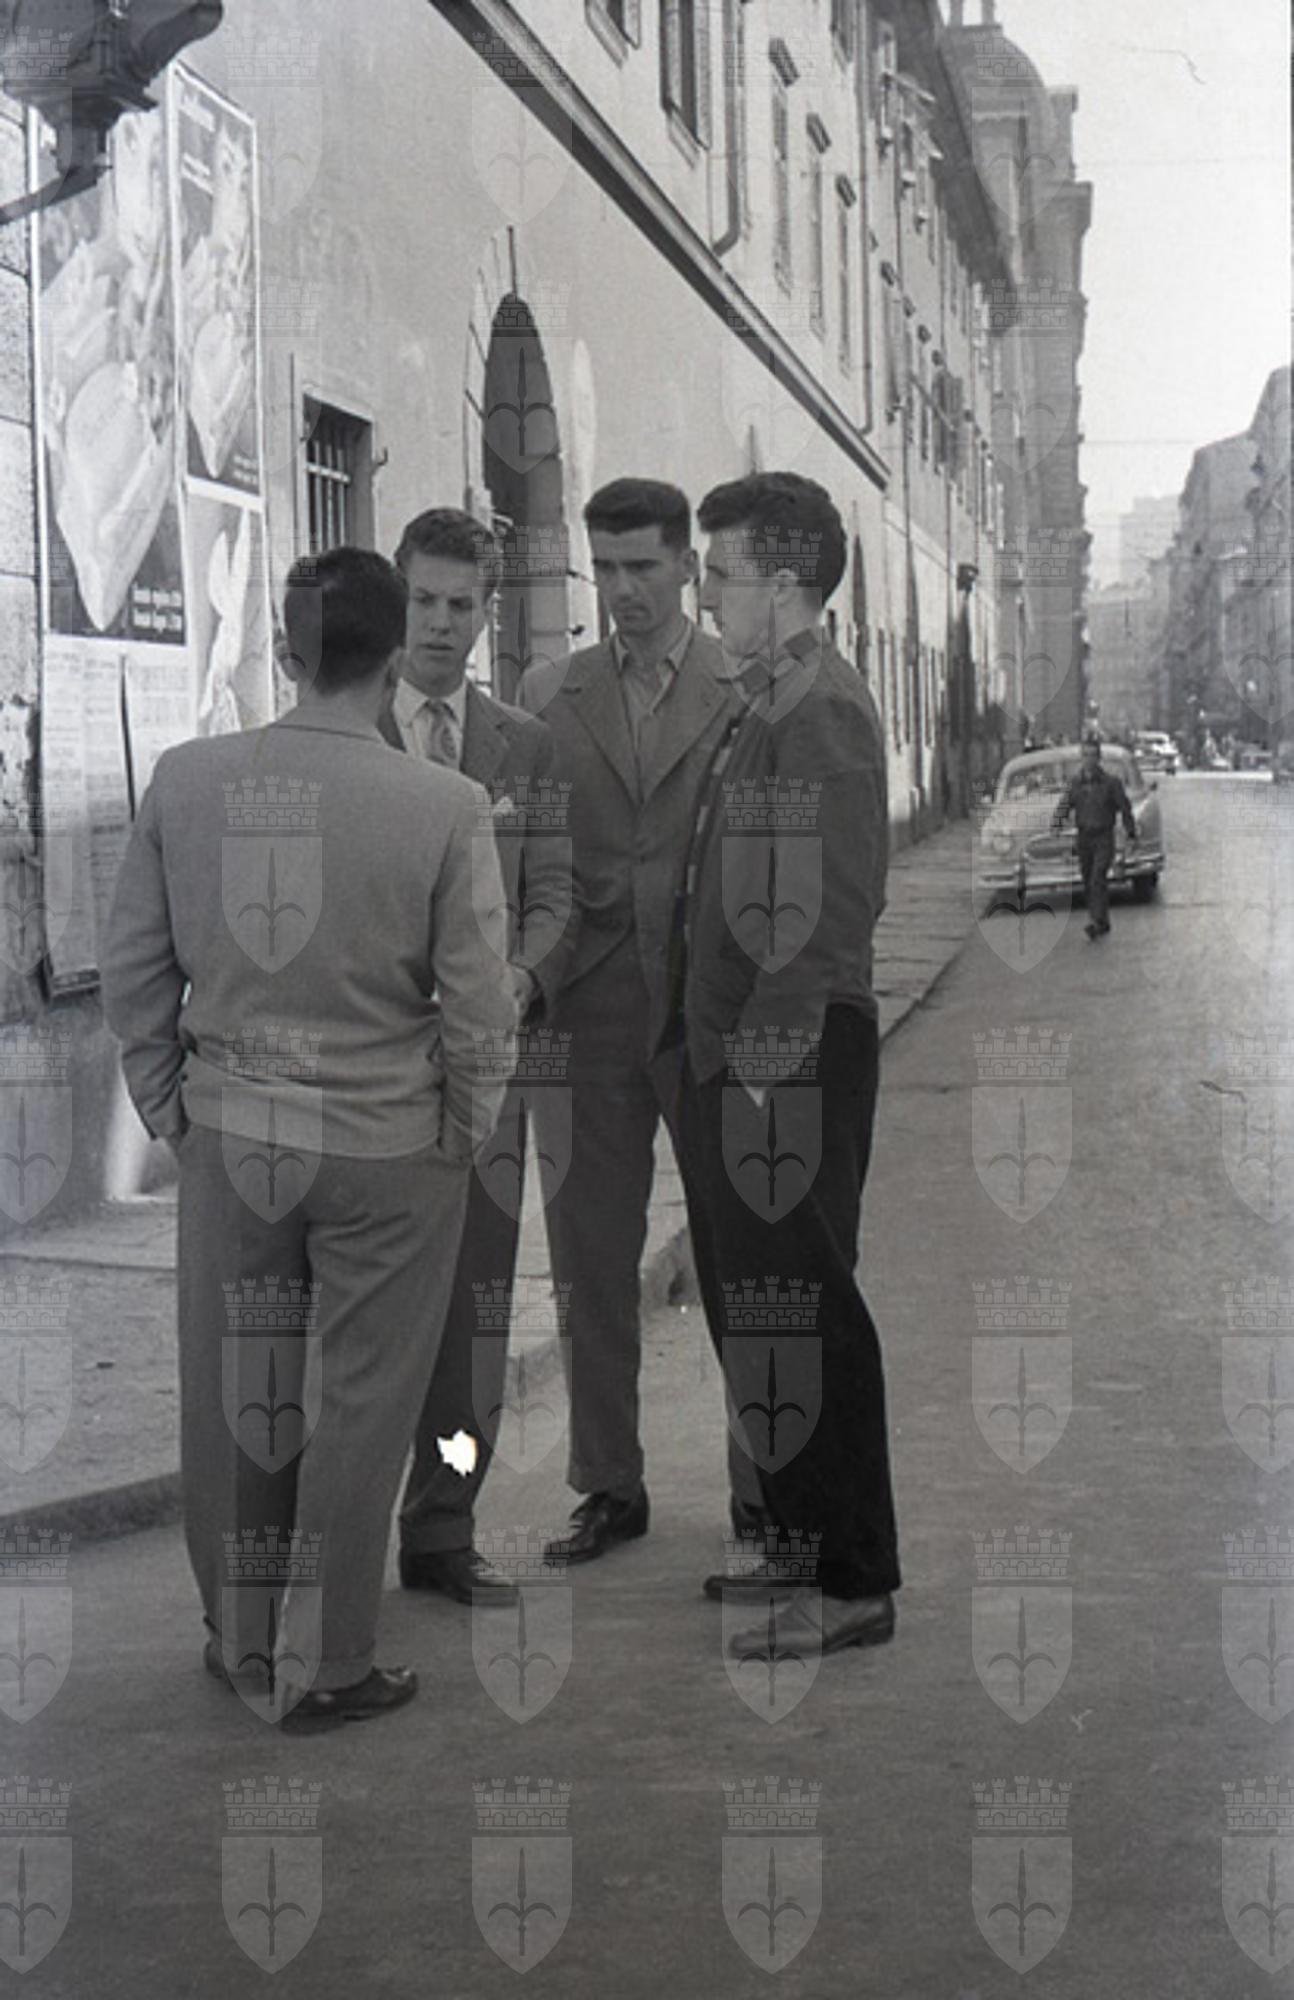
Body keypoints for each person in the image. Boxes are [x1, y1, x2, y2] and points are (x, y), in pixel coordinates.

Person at [101, 547, 516, 1724]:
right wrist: (464, 1129)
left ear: (284, 652)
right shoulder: (444, 805)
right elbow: (479, 1002)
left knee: (238, 1392)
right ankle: (325, 1659)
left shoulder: (187, 780)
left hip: (235, 1136)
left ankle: (240, 1639)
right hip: (391, 1146)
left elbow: (133, 968)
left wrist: (171, 1107)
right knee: (361, 1404)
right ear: (392, 659)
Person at [665, 470, 900, 1659]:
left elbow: (823, 915)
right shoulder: (774, 696)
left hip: (788, 1057)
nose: (705, 596)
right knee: (760, 1315)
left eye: (720, 573)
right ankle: (799, 1546)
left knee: (803, 1318)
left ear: (787, 583)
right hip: (751, 1056)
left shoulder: (821, 712)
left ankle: (852, 1580)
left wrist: (755, 1078)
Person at [517, 478, 736, 1565]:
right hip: (587, 1010)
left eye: (643, 566)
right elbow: (524, 854)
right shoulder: (550, 695)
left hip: (705, 1012)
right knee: (589, 1261)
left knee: (739, 1254)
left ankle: (765, 1488)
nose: (622, 590)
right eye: (604, 568)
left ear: (687, 567)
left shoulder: (742, 688)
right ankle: (608, 1483)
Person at [381, 508, 572, 1605]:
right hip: (365, 1079)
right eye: (423, 600)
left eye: (462, 604)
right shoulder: (346, 732)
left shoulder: (521, 749)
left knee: (472, 1323)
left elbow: (555, 895)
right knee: (359, 1315)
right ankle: (339, 1531)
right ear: (395, 598)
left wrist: (522, 981)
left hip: (485, 1081)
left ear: (489, 612)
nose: (441, 624)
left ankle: (443, 1525)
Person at [1052, 734, 1136, 940]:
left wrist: (1131, 832)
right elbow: (1064, 805)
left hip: (1103, 837)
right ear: (1082, 758)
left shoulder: (1111, 783)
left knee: (1098, 877)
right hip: (1084, 838)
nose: (1089, 760)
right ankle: (1101, 920)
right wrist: (1056, 824)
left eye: (1092, 755)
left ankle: (1095, 921)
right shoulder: (1075, 783)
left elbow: (1125, 808)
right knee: (1088, 879)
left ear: (1099, 758)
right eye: (1085, 755)